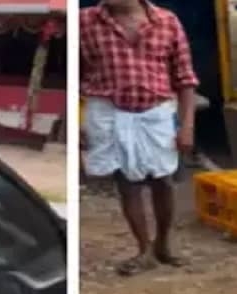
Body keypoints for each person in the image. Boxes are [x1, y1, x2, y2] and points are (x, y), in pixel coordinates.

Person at [80, 0, 199, 276]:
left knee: (163, 181)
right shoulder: (84, 21)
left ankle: (163, 245)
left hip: (157, 112)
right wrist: (77, 120)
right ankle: (143, 249)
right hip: (108, 110)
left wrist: (187, 126)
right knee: (127, 183)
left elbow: (185, 80)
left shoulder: (167, 21)